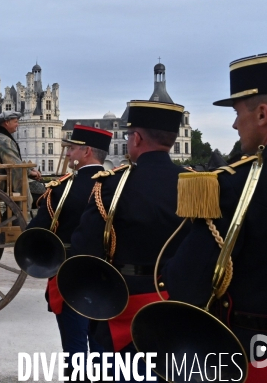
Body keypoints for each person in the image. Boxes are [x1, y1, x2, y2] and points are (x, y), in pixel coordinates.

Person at [163, 52, 267, 381]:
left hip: (258, 356)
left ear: (262, 114)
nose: (233, 124)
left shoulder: (234, 186)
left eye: (238, 112)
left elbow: (186, 281)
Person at [69, 100, 190, 381]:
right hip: (179, 306)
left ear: (136, 138)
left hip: (125, 306)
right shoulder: (196, 183)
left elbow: (84, 249)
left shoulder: (112, 184)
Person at [27, 124, 111, 380]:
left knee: (74, 350)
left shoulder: (61, 188)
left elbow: (35, 233)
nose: (67, 154)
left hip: (69, 275)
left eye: (72, 149)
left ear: (86, 152)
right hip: (109, 280)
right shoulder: (117, 185)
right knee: (103, 349)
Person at [0, 110, 41, 205]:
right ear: (7, 122)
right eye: (16, 122)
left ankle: (12, 217)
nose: (17, 125)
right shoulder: (4, 141)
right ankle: (17, 216)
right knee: (42, 193)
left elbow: (13, 160)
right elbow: (14, 164)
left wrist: (30, 169)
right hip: (0, 182)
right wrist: (30, 172)